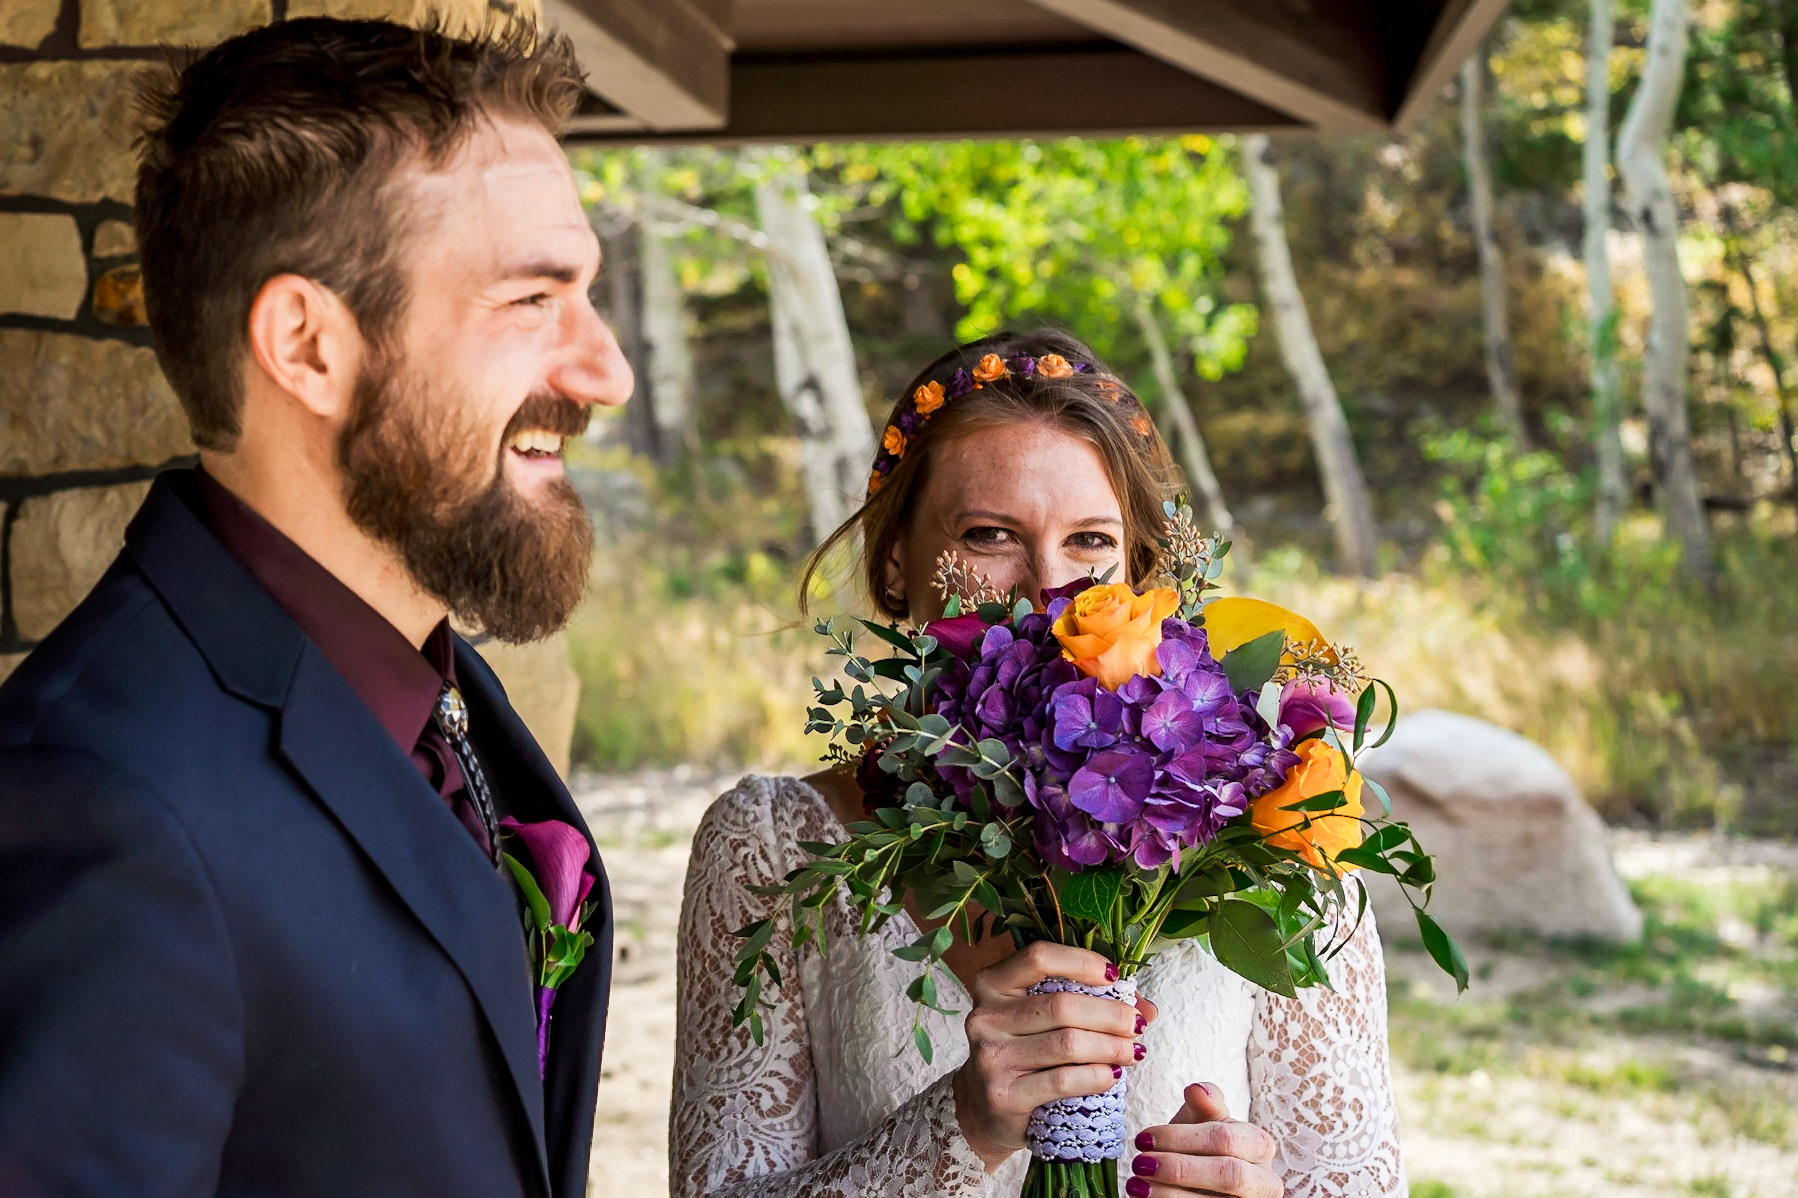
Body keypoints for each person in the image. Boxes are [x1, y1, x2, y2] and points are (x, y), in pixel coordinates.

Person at [0, 17, 631, 1198]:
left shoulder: (433, 684)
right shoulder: (96, 799)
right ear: (307, 343)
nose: (606, 370)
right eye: (532, 299)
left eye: (583, 294)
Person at [670, 330, 1403, 1198]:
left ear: (1139, 568)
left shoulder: (1275, 831)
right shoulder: (773, 847)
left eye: (1091, 541)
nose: (1046, 591)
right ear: (896, 560)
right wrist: (959, 1129)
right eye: (988, 534)